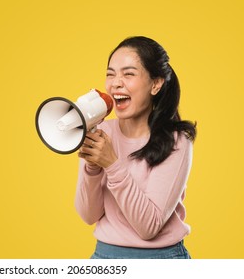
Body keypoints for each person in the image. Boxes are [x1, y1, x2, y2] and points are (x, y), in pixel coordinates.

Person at [75, 36, 197, 259]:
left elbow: (149, 227)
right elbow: (89, 215)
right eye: (110, 74)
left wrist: (111, 164)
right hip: (104, 257)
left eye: (128, 74)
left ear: (156, 84)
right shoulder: (101, 131)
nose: (116, 83)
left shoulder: (176, 141)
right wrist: (92, 168)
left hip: (161, 260)